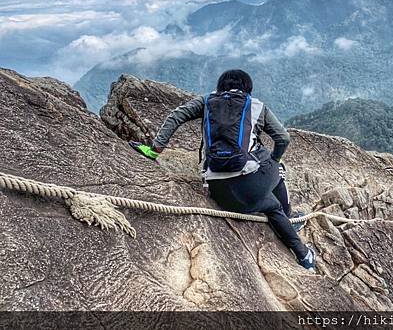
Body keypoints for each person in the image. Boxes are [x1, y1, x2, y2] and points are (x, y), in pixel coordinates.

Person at [130, 69, 316, 270]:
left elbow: (176, 116)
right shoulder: (256, 106)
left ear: (220, 86)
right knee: (277, 180)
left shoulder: (207, 101)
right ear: (248, 88)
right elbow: (283, 138)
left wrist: (154, 150)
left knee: (268, 202)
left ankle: (289, 227)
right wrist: (274, 160)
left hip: (218, 191)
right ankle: (303, 252)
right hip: (249, 191)